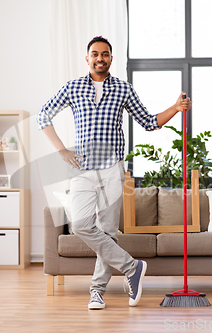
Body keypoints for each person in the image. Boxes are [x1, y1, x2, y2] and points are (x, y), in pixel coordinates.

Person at [37, 36, 191, 310]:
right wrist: (62, 150)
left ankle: (97, 291)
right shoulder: (73, 88)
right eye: (94, 54)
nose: (100, 58)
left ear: (111, 58)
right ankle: (132, 267)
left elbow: (148, 122)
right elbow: (43, 116)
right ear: (87, 59)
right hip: (82, 169)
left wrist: (175, 108)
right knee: (81, 226)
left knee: (107, 232)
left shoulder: (123, 89)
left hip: (112, 169)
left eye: (105, 54)